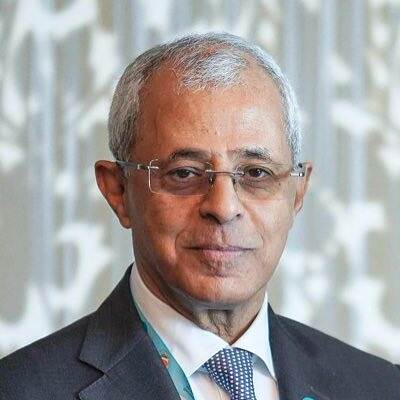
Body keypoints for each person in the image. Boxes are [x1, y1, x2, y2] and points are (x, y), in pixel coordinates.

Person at [0, 32, 398, 400]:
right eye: (184, 173)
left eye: (255, 173)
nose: (223, 208)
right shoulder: (20, 389)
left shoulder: (380, 387)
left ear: (297, 192)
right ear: (118, 190)